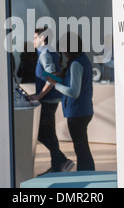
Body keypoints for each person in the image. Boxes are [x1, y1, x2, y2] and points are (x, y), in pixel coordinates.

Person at [47, 32, 95, 171]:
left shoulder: (76, 64)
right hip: (82, 110)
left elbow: (74, 92)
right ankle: (87, 173)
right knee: (82, 148)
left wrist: (55, 85)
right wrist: (60, 79)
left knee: (81, 149)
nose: (62, 51)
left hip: (77, 111)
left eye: (63, 48)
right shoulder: (82, 60)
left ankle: (85, 174)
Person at [30, 28, 73, 174]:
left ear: (42, 38)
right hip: (49, 98)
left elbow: (53, 76)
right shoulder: (48, 52)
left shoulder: (45, 54)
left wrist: (38, 96)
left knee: (46, 133)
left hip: (48, 100)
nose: (33, 40)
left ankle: (59, 164)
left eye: (35, 37)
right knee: (46, 133)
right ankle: (59, 162)